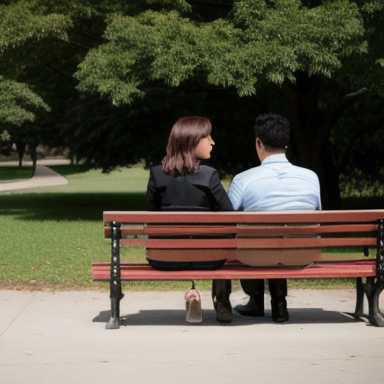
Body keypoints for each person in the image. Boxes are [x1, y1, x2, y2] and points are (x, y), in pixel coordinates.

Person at [228, 113, 321, 323]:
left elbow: (227, 220)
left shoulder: (244, 179)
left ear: (258, 143)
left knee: (251, 233)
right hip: (301, 254)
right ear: (286, 142)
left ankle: (255, 299)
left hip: (254, 256)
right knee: (279, 236)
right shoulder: (311, 177)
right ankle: (279, 302)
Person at [146, 116, 234, 323]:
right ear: (192, 141)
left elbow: (151, 218)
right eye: (207, 137)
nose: (212, 142)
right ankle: (221, 303)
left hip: (164, 258)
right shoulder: (209, 175)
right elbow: (231, 217)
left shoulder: (157, 175)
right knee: (227, 242)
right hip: (209, 260)